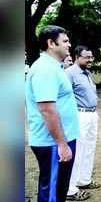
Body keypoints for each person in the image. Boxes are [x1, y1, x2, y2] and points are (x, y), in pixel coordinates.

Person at [25, 25, 80, 202]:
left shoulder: (54, 67)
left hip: (59, 141)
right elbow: (47, 110)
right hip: (52, 143)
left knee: (58, 190)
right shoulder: (45, 69)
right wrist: (62, 145)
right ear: (50, 43)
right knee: (52, 193)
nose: (69, 45)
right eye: (65, 41)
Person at [66, 46, 100, 200]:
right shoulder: (70, 73)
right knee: (77, 151)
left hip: (92, 115)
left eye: (91, 57)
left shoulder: (87, 73)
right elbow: (64, 98)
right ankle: (70, 190)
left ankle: (83, 180)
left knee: (89, 148)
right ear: (77, 57)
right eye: (87, 57)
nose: (90, 60)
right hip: (79, 116)